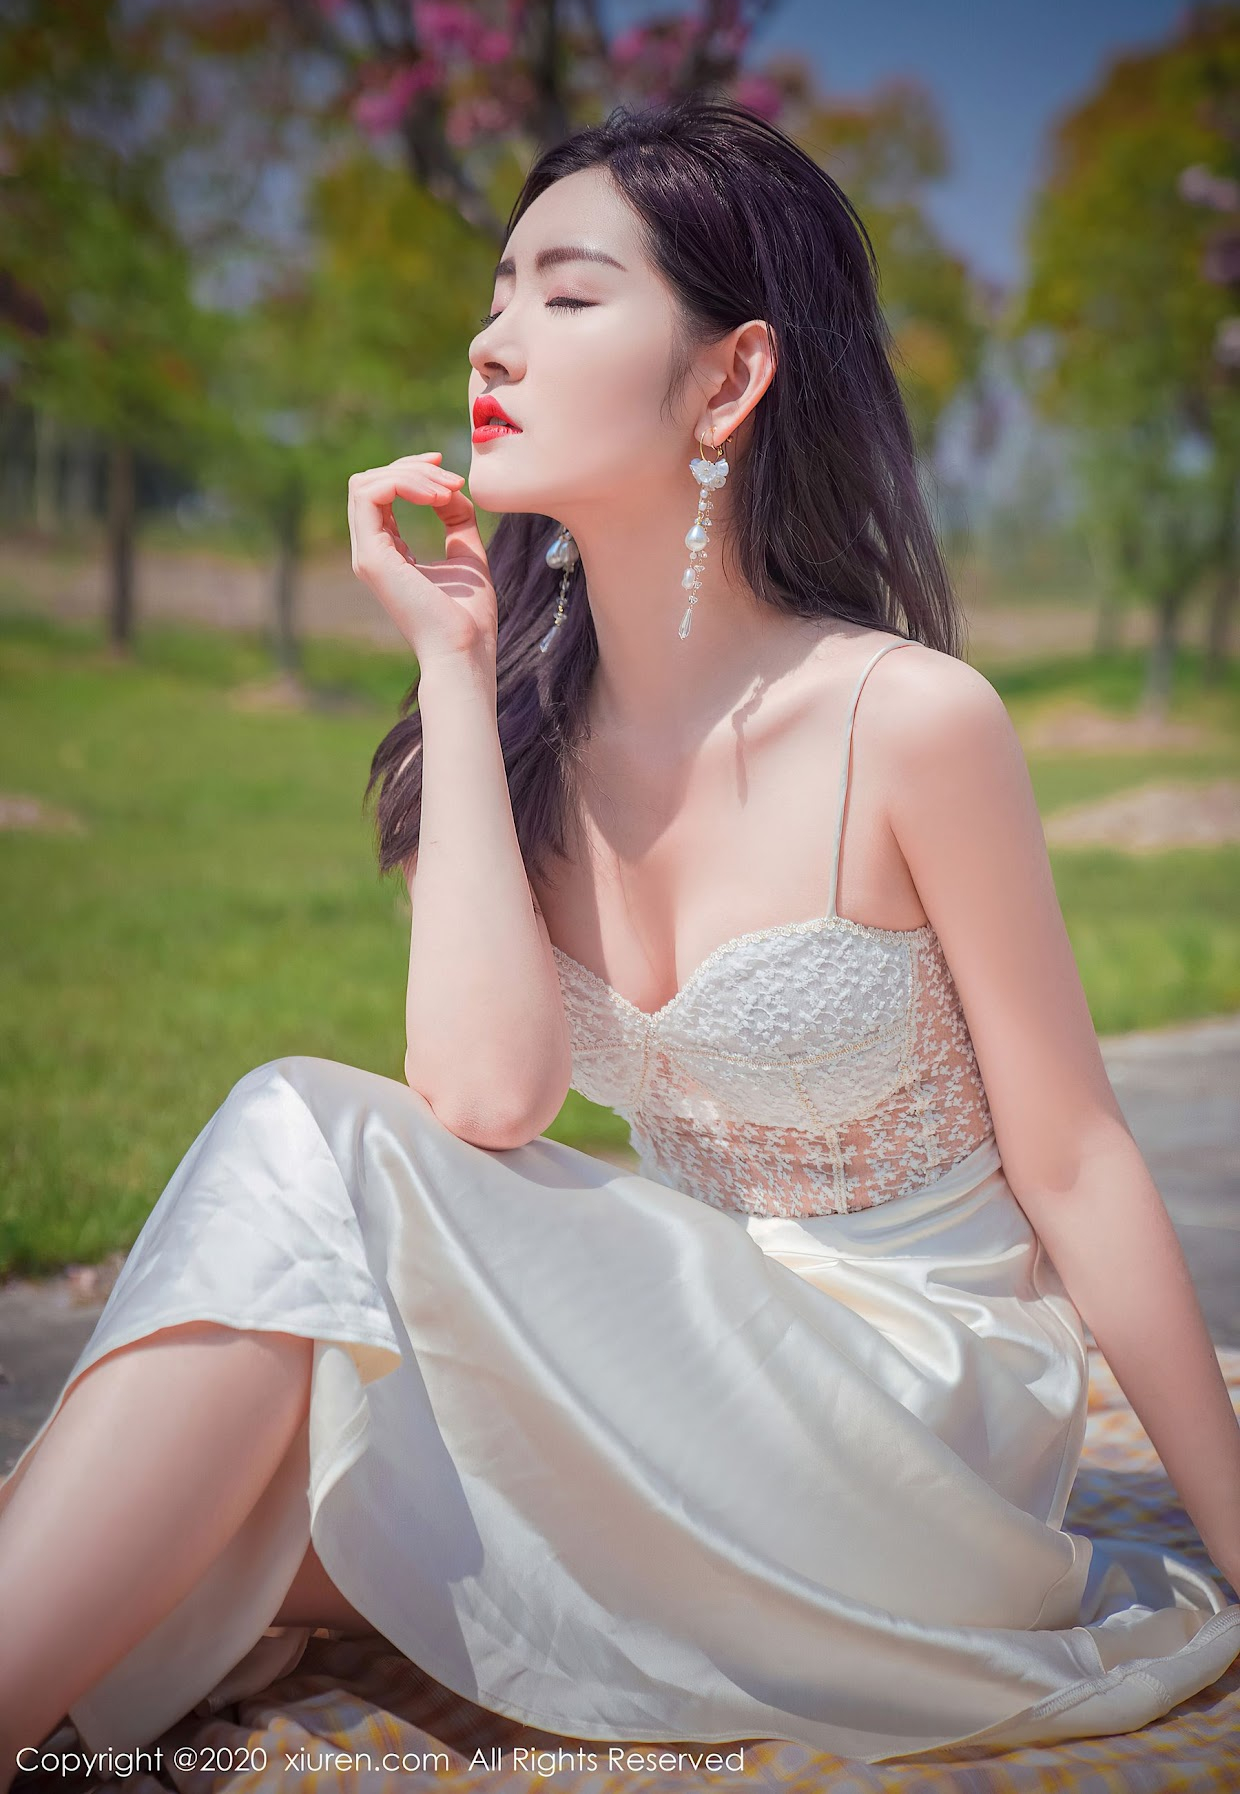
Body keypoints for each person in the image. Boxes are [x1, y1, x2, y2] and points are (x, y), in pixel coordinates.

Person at [1, 93, 1239, 1781]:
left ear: (729, 378)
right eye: (498, 287)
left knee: (302, 1133)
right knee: (232, 1475)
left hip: (913, 1431)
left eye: (567, 295)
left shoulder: (909, 718)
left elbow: (1080, 1153)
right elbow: (489, 1090)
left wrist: (1234, 1537)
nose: (492, 336)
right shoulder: (515, 725)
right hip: (697, 1383)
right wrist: (450, 663)